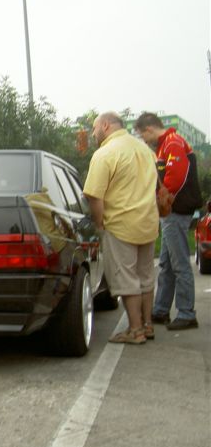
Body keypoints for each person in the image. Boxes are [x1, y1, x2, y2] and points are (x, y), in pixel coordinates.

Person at [83, 112, 159, 344]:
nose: (93, 133)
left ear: (105, 125)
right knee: (146, 277)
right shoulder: (146, 150)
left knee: (126, 280)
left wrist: (99, 223)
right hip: (148, 222)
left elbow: (93, 195)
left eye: (95, 128)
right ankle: (147, 325)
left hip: (121, 224)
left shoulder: (105, 153)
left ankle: (135, 330)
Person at [134, 112, 203, 331]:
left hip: (175, 211)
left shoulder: (172, 143)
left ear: (149, 129)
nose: (145, 141)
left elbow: (176, 176)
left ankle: (186, 313)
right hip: (172, 212)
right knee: (167, 263)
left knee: (179, 263)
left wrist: (162, 199)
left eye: (143, 136)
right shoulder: (168, 144)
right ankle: (161, 310)